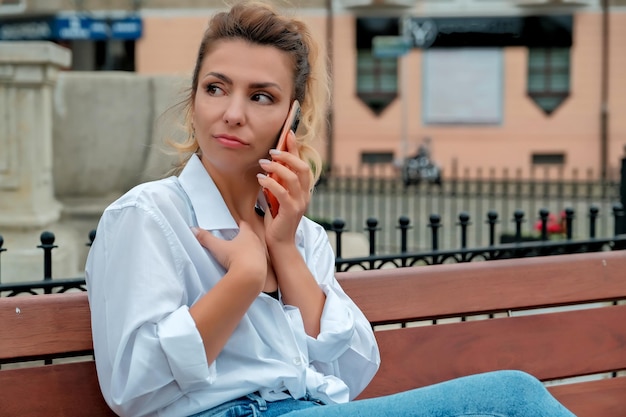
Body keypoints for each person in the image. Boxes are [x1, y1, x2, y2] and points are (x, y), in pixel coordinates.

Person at [85, 2, 577, 417]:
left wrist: (280, 248)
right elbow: (133, 387)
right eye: (216, 87)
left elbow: (352, 370)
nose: (232, 112)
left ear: (292, 118)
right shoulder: (149, 215)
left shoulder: (300, 237)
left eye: (261, 96)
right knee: (512, 399)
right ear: (193, 101)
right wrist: (241, 280)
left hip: (309, 409)